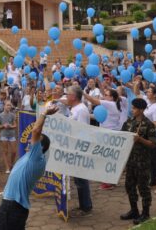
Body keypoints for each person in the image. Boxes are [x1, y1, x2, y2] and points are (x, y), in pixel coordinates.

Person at [0, 104, 58, 230]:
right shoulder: (33, 157)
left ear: (40, 147)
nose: (30, 140)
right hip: (16, 207)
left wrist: (44, 114)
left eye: (34, 140)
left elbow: (35, 130)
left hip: (11, 206)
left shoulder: (36, 158)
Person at [120, 98, 156, 224]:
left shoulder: (148, 124)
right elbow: (122, 136)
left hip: (142, 162)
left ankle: (145, 213)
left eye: (134, 108)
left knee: (143, 187)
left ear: (141, 110)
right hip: (130, 161)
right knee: (129, 186)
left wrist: (140, 139)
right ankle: (134, 210)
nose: (132, 110)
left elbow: (152, 144)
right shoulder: (129, 122)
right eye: (132, 107)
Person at [64, 85, 92, 217]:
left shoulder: (80, 110)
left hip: (79, 148)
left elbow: (81, 129)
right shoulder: (76, 108)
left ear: (73, 97)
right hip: (74, 147)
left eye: (68, 94)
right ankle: (83, 205)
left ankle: (86, 206)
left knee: (81, 179)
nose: (66, 96)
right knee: (78, 179)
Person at [0, 102, 17, 174]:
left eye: (10, 105)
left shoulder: (13, 115)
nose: (9, 107)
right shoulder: (0, 116)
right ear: (4, 106)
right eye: (7, 105)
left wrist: (10, 126)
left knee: (14, 151)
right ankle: (7, 167)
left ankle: (11, 164)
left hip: (12, 135)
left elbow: (15, 125)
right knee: (5, 151)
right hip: (3, 134)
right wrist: (3, 126)